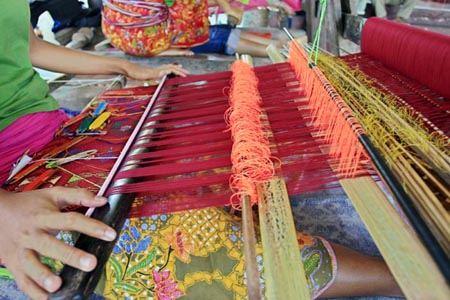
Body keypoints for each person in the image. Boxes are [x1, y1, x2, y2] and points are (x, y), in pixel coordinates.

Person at [0, 1, 404, 300]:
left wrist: (125, 69)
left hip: (57, 132)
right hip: (13, 183)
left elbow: (28, 49)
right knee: (201, 253)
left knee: (207, 159)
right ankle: (413, 278)